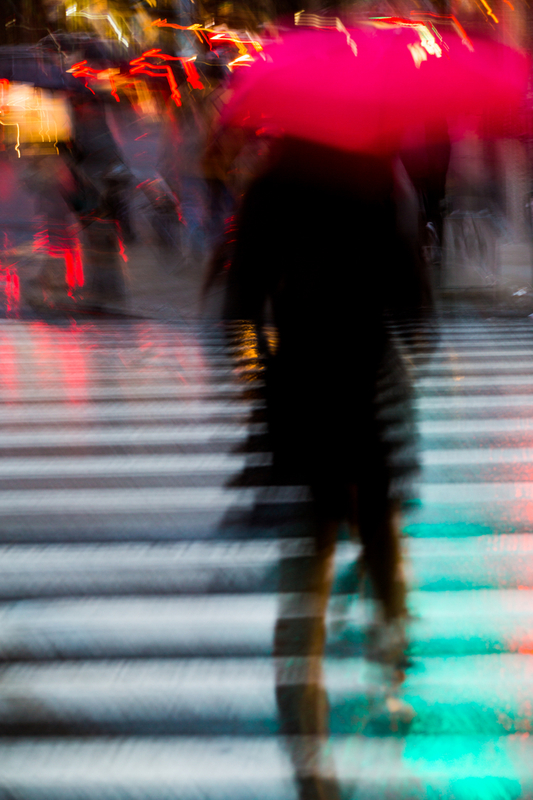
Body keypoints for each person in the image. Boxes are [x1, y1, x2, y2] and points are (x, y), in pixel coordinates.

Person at [222, 133, 434, 799]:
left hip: (297, 402)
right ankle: (390, 659)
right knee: (378, 529)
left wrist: (259, 375)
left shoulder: (270, 187)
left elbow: (239, 305)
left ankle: (311, 771)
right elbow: (414, 307)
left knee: (302, 585)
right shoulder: (378, 180)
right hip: (365, 391)